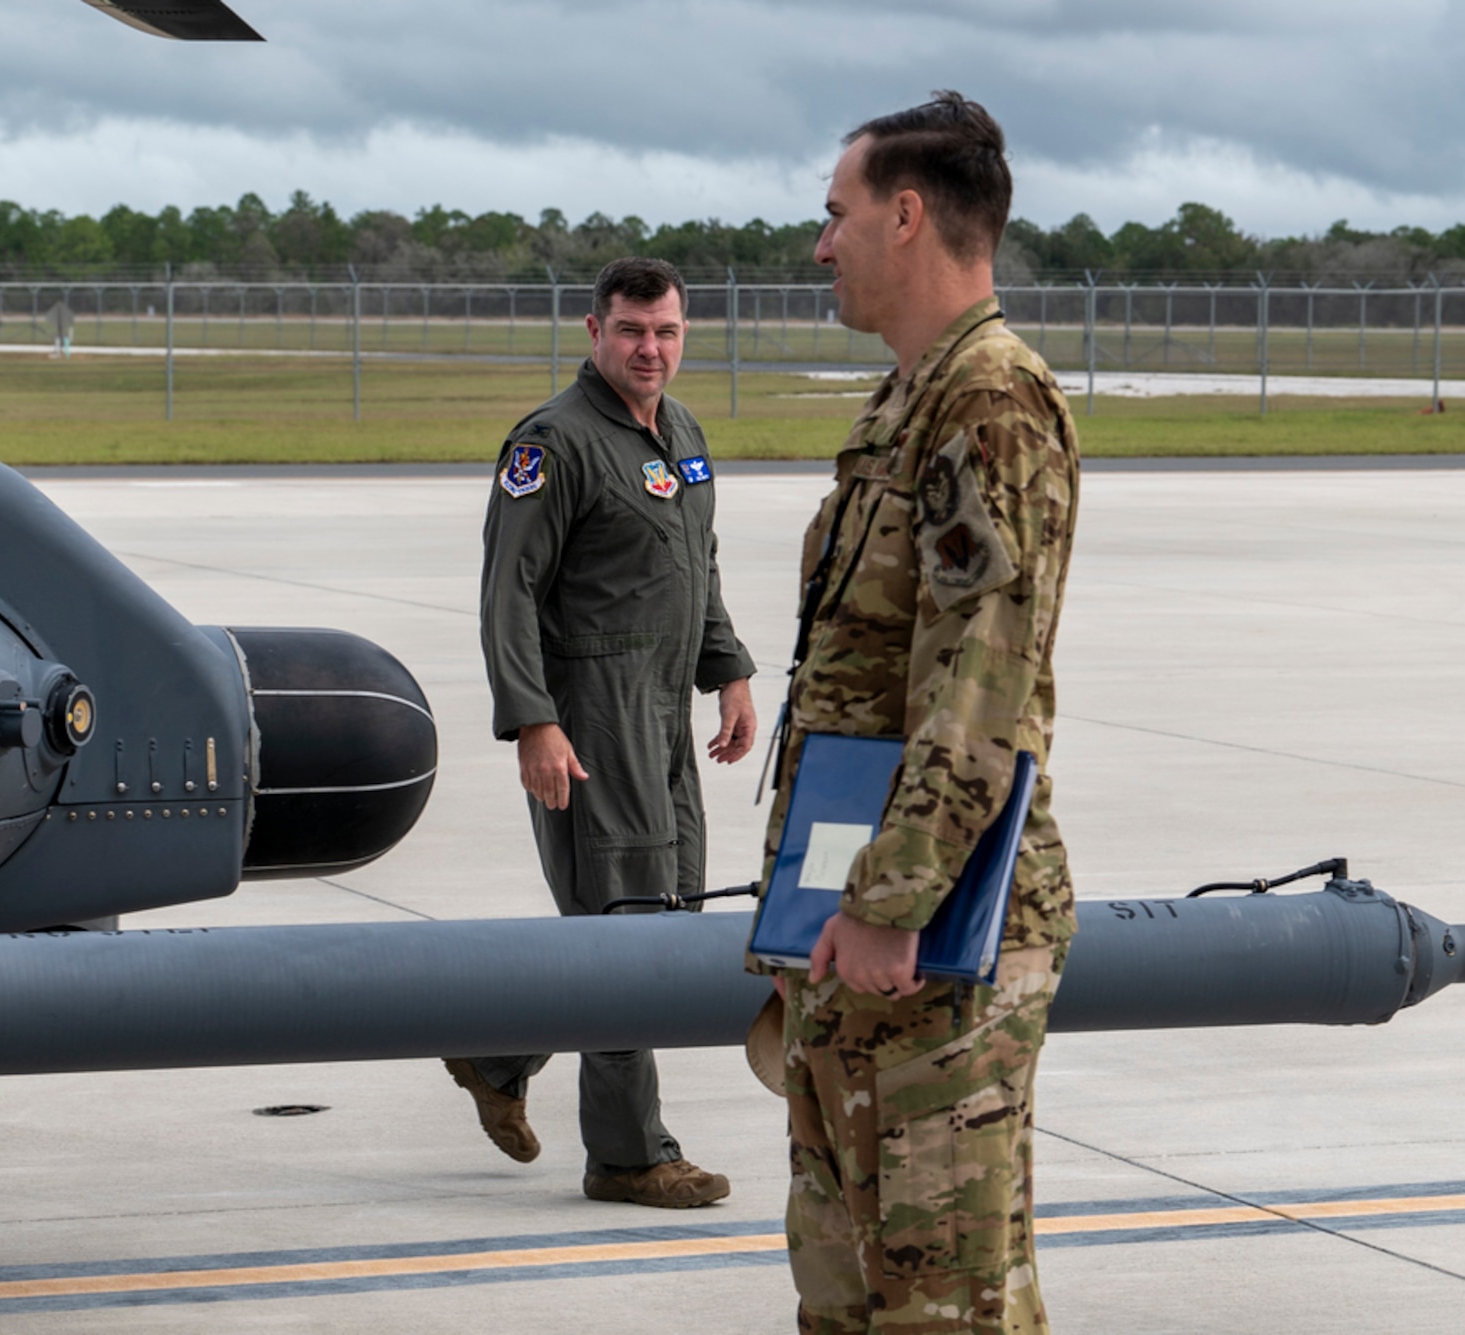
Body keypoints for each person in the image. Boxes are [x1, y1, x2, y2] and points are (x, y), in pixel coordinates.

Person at [762, 94, 1080, 1332]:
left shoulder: (988, 403)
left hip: (935, 936)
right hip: (857, 920)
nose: (819, 244)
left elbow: (979, 682)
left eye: (834, 214)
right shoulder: (906, 400)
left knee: (943, 1305)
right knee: (846, 1291)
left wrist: (890, 904)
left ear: (905, 217)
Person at [448, 256, 758, 1209]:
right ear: (594, 332)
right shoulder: (553, 442)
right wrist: (533, 721)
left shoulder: (680, 430)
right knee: (626, 926)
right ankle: (628, 1153)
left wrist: (731, 669)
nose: (649, 349)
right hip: (591, 714)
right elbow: (509, 593)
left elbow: (693, 557)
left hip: (665, 712)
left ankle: (495, 1052)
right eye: (631, 330)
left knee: (666, 922)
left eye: (666, 331)